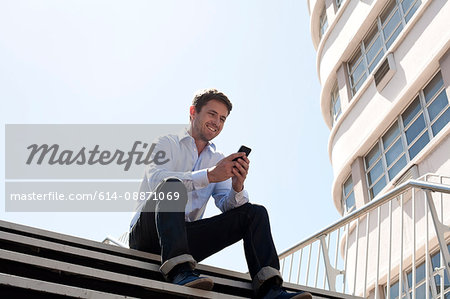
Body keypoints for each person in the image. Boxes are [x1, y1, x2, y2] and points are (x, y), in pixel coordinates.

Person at [129, 89, 312, 299]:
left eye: (222, 118)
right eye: (212, 114)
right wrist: (209, 175)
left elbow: (230, 207)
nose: (217, 122)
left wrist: (237, 185)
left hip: (184, 239)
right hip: (147, 233)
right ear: (193, 112)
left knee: (255, 213)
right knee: (171, 185)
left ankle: (270, 288)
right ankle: (179, 271)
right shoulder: (166, 142)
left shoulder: (218, 159)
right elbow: (157, 180)